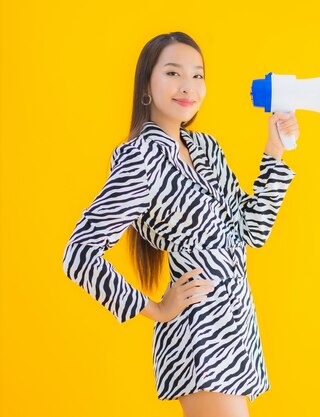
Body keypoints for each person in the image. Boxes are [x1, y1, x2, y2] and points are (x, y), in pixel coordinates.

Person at [61, 31, 298, 417]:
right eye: (173, 73)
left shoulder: (206, 148)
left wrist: (275, 151)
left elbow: (252, 232)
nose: (188, 86)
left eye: (198, 75)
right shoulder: (141, 158)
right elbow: (79, 253)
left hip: (237, 324)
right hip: (200, 331)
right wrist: (155, 308)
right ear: (147, 85)